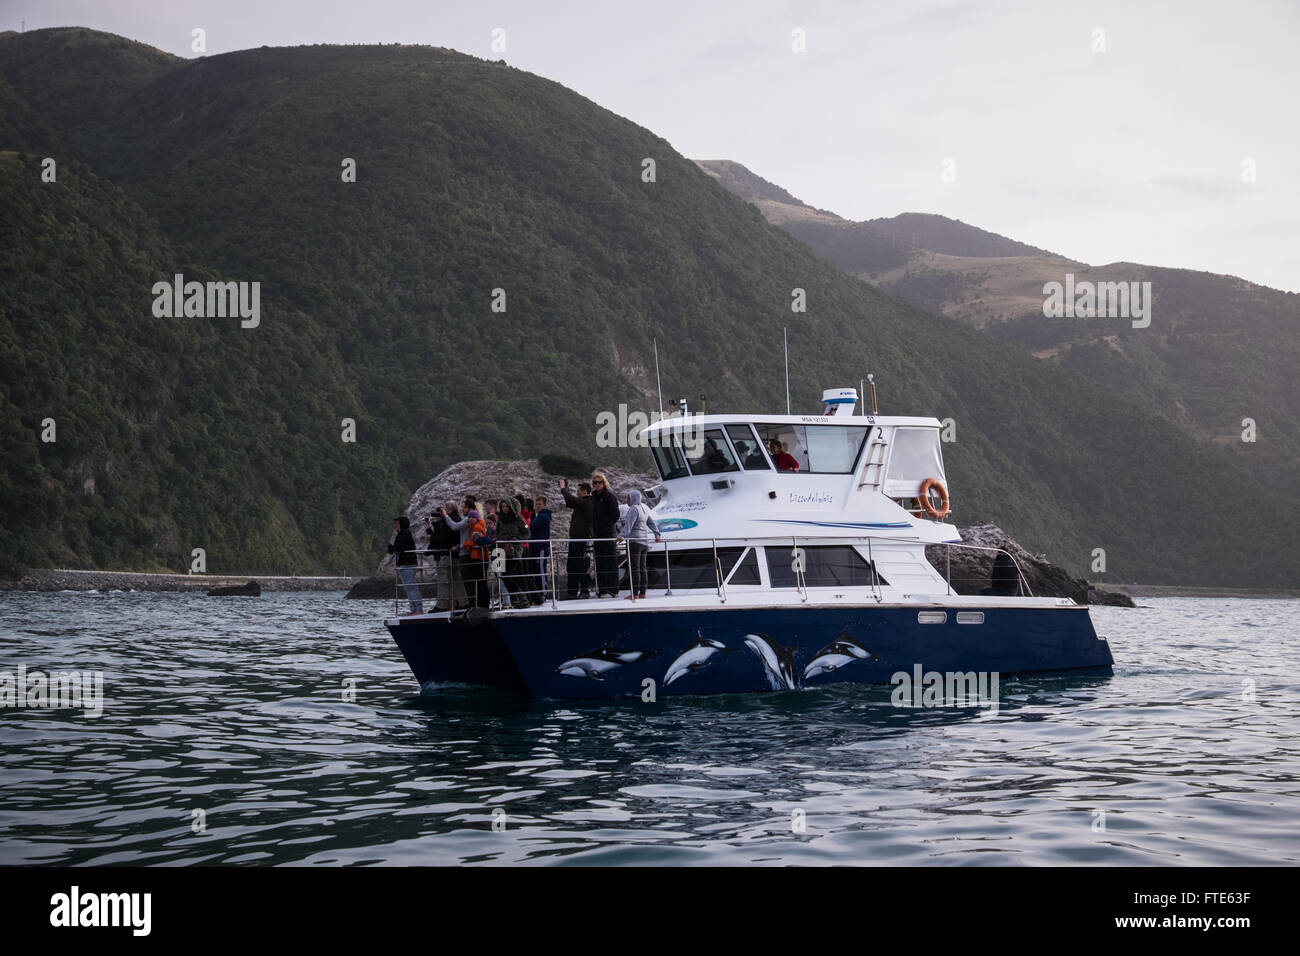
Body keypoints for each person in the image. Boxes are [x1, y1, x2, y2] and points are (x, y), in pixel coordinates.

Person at [617, 489, 660, 600]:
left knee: (634, 568)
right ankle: (642, 593)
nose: (627, 500)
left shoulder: (633, 509)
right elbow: (651, 522)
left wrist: (621, 536)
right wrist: (657, 534)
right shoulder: (644, 509)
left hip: (634, 543)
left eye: (628, 497)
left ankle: (634, 594)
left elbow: (629, 525)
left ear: (633, 498)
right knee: (642, 568)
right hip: (644, 543)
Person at [559, 478, 594, 599]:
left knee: (578, 564)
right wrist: (566, 489)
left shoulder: (587, 502)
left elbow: (570, 500)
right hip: (576, 537)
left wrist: (563, 488)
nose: (577, 493)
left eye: (578, 491)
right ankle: (572, 592)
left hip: (580, 537)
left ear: (585, 492)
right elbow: (570, 502)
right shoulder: (583, 503)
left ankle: (584, 590)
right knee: (572, 565)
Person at [428, 503, 466, 611]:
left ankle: (441, 606)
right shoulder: (458, 519)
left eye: (444, 510)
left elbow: (444, 537)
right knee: (458, 581)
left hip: (446, 555)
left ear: (449, 510)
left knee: (443, 581)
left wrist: (433, 536)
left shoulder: (449, 522)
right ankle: (463, 603)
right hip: (456, 556)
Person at [494, 496, 530, 608]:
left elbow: (527, 532)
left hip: (515, 551)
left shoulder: (519, 519)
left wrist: (517, 539)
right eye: (503, 506)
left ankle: (523, 599)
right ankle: (517, 599)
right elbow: (497, 533)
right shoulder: (500, 519)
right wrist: (501, 538)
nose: (504, 509)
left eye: (506, 506)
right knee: (503, 575)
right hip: (501, 550)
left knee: (509, 574)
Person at [590, 472, 621, 597]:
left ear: (604, 482)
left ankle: (613, 589)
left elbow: (616, 514)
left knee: (611, 561)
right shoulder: (594, 496)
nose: (597, 484)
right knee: (599, 561)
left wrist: (607, 525)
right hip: (597, 535)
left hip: (607, 534)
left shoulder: (609, 495)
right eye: (595, 482)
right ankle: (602, 589)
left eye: (599, 482)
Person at [387, 516, 422, 615]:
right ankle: (414, 609)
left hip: (407, 565)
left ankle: (418, 610)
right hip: (405, 564)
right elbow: (399, 547)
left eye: (397, 523)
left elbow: (400, 547)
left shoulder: (404, 533)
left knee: (411, 588)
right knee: (409, 588)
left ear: (401, 524)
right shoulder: (403, 533)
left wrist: (391, 548)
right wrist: (393, 548)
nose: (395, 525)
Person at [526, 495, 553, 604]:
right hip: (535, 547)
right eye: (536, 504)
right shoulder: (538, 516)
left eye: (539, 504)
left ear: (544, 505)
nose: (537, 506)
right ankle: (539, 593)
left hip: (541, 547)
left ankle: (543, 593)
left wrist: (525, 525)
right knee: (537, 570)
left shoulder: (543, 517)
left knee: (541, 570)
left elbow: (532, 526)